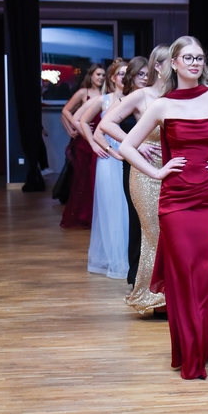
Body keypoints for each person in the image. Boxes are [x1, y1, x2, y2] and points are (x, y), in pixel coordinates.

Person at [119, 36, 208, 380]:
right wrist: (156, 172)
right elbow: (127, 146)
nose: (195, 63)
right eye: (188, 58)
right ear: (174, 63)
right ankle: (195, 339)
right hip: (176, 202)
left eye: (199, 58)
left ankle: (200, 326)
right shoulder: (162, 105)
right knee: (184, 281)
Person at [98, 46, 171, 317]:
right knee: (153, 234)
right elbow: (106, 124)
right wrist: (134, 143)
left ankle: (172, 295)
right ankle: (154, 297)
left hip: (174, 171)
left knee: (171, 234)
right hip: (144, 172)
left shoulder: (177, 96)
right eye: (173, 61)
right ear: (159, 66)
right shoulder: (142, 95)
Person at [81, 60, 131, 280]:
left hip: (129, 153)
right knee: (111, 206)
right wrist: (94, 144)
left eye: (127, 73)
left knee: (127, 205)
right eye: (120, 74)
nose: (124, 77)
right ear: (113, 78)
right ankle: (114, 258)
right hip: (108, 156)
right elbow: (82, 121)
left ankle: (128, 255)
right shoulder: (104, 100)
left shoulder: (134, 98)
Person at [60, 64, 106, 229]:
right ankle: (83, 214)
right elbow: (66, 111)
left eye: (103, 75)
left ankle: (95, 214)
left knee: (96, 177)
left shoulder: (106, 93)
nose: (101, 78)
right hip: (85, 140)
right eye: (98, 74)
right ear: (91, 75)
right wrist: (73, 128)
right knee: (83, 178)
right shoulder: (83, 92)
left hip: (100, 139)